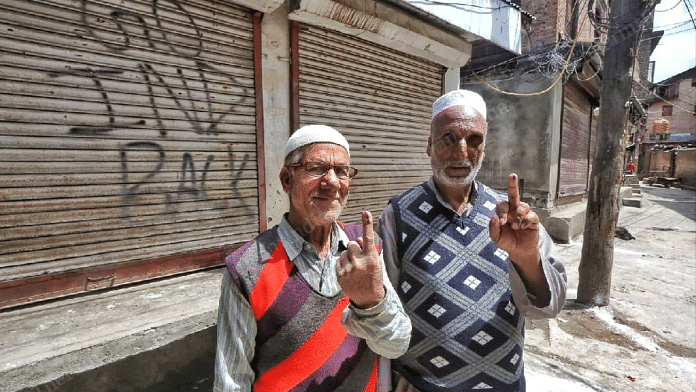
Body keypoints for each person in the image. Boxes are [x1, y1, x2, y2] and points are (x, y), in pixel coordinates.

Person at [376, 90, 567, 391]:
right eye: (448, 138)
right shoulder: (396, 215)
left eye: (474, 140)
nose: (461, 151)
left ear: (484, 150)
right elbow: (384, 311)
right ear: (429, 145)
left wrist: (526, 257)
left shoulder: (512, 216)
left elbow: (548, 307)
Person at [214, 125, 411, 391]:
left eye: (341, 171)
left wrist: (371, 302)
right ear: (286, 179)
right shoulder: (247, 267)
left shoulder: (366, 249)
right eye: (316, 168)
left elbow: (396, 345)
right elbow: (232, 383)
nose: (331, 182)